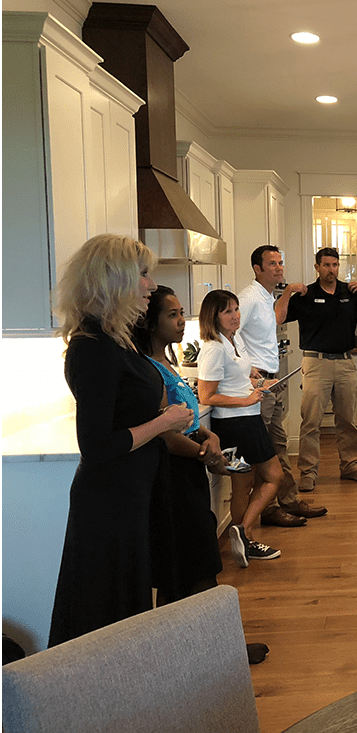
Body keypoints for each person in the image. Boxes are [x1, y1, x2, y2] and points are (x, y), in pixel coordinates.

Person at [48, 235, 194, 647]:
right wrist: (163, 422)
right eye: (143, 275)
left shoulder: (116, 338)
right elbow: (96, 447)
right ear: (113, 280)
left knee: (129, 605)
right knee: (104, 612)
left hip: (132, 491)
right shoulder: (91, 347)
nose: (150, 285)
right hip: (109, 501)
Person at [135, 286, 271, 664]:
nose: (182, 322)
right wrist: (201, 450)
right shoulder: (148, 368)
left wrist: (206, 433)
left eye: (182, 314)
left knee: (186, 567)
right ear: (150, 322)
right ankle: (219, 649)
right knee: (197, 563)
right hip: (174, 478)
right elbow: (164, 433)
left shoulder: (164, 361)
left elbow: (185, 417)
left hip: (187, 471)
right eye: (173, 315)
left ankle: (189, 650)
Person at [239, 245, 327, 525]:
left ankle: (287, 501)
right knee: (263, 450)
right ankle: (266, 510)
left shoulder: (266, 297)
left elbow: (275, 319)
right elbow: (230, 331)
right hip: (259, 384)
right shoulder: (248, 297)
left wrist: (286, 293)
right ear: (257, 268)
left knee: (277, 444)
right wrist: (247, 368)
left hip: (272, 382)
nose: (279, 268)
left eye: (280, 263)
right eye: (272, 264)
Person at [197, 289, 284, 568]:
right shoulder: (213, 347)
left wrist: (258, 385)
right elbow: (206, 396)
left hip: (249, 418)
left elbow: (235, 380)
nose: (235, 315)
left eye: (236, 309)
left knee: (250, 482)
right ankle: (244, 533)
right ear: (214, 316)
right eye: (227, 311)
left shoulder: (234, 341)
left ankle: (243, 534)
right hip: (235, 424)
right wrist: (246, 399)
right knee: (264, 478)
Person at [283, 247, 357, 490]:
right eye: (326, 265)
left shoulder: (352, 292)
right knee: (311, 421)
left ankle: (351, 466)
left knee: (347, 419)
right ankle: (308, 472)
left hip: (346, 362)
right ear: (317, 267)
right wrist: (287, 292)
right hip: (316, 363)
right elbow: (278, 317)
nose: (331, 270)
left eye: (335, 265)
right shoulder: (305, 294)